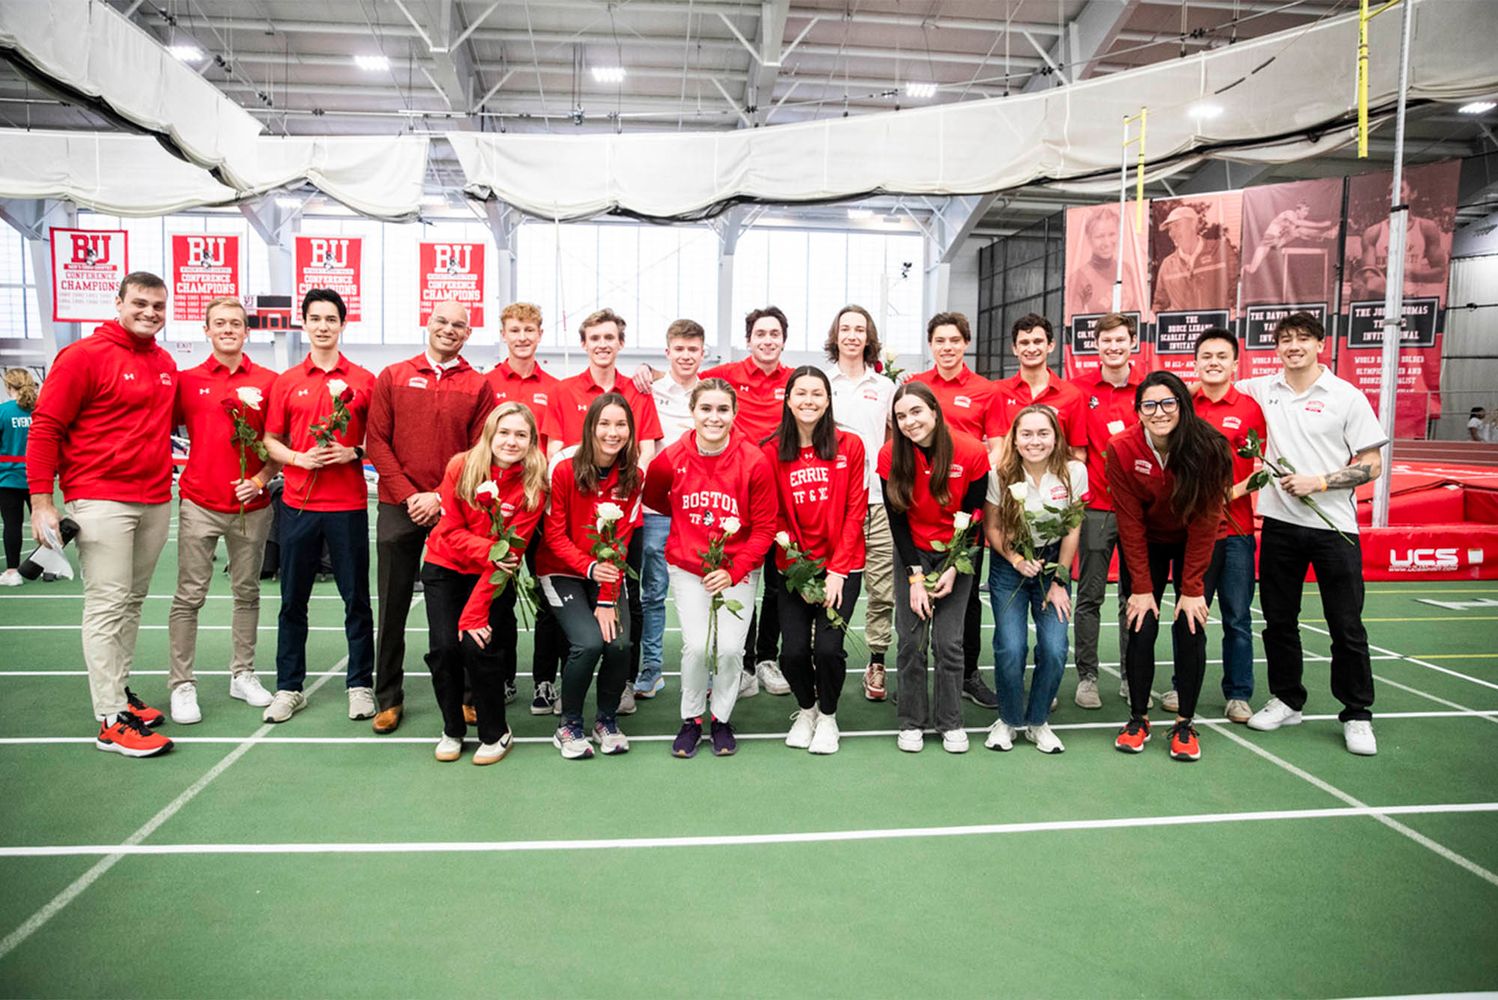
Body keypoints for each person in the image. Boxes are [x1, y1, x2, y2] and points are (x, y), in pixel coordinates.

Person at [27, 271, 177, 757]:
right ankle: (110, 718)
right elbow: (46, 427)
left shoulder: (164, 361)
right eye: (140, 303)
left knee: (131, 602)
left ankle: (120, 692)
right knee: (107, 603)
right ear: (118, 303)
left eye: (158, 305)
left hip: (155, 498)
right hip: (100, 497)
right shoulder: (82, 357)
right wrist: (42, 501)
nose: (149, 313)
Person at [1239, 312, 1386, 756]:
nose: (1293, 346)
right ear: (1276, 347)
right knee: (1279, 622)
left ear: (1320, 344)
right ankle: (1287, 698)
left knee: (1346, 625)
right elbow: (1213, 389)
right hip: (1281, 526)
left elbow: (1371, 463)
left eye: (1303, 339)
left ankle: (1357, 713)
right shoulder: (1262, 389)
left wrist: (1319, 482)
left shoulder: (1346, 396)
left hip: (1333, 528)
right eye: (1285, 340)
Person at [365, 299, 494, 735]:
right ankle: (388, 697)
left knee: (460, 610)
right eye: (442, 320)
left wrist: (440, 498)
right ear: (428, 322)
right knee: (393, 608)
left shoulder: (479, 386)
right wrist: (410, 497)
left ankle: (468, 696)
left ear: (468, 334)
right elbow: (377, 443)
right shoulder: (393, 376)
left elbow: (481, 453)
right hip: (398, 507)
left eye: (459, 324)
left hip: (454, 511)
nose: (449, 329)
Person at [261, 288, 378, 724]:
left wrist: (355, 452)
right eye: (316, 318)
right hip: (296, 506)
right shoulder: (287, 382)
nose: (324, 325)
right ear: (304, 324)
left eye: (331, 318)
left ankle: (360, 684)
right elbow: (270, 439)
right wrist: (297, 458)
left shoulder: (365, 380)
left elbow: (379, 439)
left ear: (342, 324)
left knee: (356, 601)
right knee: (292, 600)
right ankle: (289, 687)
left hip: (347, 506)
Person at [643, 378, 776, 759]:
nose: (714, 417)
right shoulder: (669, 458)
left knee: (732, 648)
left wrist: (734, 570)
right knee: (699, 646)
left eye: (722, 409)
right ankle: (690, 719)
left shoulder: (754, 461)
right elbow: (657, 500)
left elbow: (765, 527)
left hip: (737, 568)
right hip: (689, 567)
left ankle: (720, 718)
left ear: (734, 413)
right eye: (706, 409)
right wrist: (691, 538)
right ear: (693, 412)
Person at [167, 296, 281, 724]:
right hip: (198, 502)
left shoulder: (269, 381)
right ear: (207, 330)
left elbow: (277, 444)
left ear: (247, 331)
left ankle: (243, 674)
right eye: (220, 323)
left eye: (236, 323)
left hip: (252, 506)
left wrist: (259, 479)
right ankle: (182, 683)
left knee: (247, 592)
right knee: (189, 596)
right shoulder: (187, 380)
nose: (228, 329)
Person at [1108, 371, 1232, 761]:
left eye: (1167, 403)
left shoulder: (1210, 445)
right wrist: (1142, 588)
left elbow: (1207, 518)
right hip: (1148, 540)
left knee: (1190, 623)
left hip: (1197, 539)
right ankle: (1138, 718)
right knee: (1140, 622)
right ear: (1139, 411)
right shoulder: (1122, 447)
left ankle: (1185, 723)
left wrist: (1192, 587)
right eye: (1149, 405)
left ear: (1182, 404)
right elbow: (1129, 522)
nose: (1159, 412)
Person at [543, 308, 663, 714]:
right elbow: (555, 450)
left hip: (624, 508)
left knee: (627, 598)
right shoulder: (563, 391)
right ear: (584, 344)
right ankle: (567, 681)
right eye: (595, 338)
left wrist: (624, 486)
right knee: (575, 612)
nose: (602, 344)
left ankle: (623, 682)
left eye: (610, 337)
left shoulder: (638, 390)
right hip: (577, 513)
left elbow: (646, 448)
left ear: (620, 343)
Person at [420, 403, 547, 765]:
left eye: (521, 435)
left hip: (490, 578)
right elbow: (448, 532)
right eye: (504, 432)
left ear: (531, 441)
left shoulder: (534, 484)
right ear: (490, 434)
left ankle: (496, 732)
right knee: (444, 649)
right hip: (444, 566)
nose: (511, 441)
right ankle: (452, 728)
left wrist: (474, 615)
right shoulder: (461, 466)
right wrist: (490, 549)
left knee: (479, 647)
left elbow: (511, 558)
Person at [879, 382, 990, 754]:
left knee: (949, 642)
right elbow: (897, 521)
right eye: (901, 416)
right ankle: (912, 721)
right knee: (911, 640)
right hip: (913, 550)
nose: (910, 422)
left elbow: (975, 518)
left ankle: (950, 722)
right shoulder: (889, 455)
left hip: (958, 551)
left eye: (916, 412)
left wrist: (956, 568)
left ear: (934, 411)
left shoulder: (972, 452)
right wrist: (914, 576)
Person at [766, 366, 868, 756]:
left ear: (828, 401)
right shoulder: (770, 449)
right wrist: (800, 570)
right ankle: (806, 710)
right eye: (801, 394)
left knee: (827, 648)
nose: (809, 401)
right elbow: (772, 515)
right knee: (791, 652)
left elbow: (855, 513)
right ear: (788, 400)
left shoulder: (851, 445)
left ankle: (828, 716)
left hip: (843, 566)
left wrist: (837, 571)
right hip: (792, 568)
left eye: (817, 394)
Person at [1167, 329, 1267, 724]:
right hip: (1192, 533)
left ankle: (1238, 693)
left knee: (1237, 616)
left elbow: (1264, 466)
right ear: (1195, 363)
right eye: (1205, 355)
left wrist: (1230, 492)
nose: (1213, 362)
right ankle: (1182, 683)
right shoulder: (1182, 406)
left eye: (1221, 356)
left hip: (1238, 532)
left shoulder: (1250, 409)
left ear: (1234, 363)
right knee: (1187, 614)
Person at [538, 393, 644, 760]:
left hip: (605, 573)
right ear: (591, 426)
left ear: (630, 432)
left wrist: (605, 595)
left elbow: (623, 540)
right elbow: (553, 535)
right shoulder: (564, 465)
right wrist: (588, 568)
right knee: (588, 643)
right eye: (605, 423)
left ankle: (606, 720)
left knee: (618, 643)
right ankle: (568, 725)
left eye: (621, 425)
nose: (612, 432)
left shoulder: (633, 475)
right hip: (561, 569)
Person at [700, 307, 795, 700]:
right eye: (760, 334)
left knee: (776, 582)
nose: (767, 340)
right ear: (749, 338)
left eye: (774, 334)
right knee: (740, 577)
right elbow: (685, 380)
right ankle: (741, 663)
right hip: (736, 497)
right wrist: (648, 374)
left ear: (783, 340)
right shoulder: (726, 376)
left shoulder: (794, 381)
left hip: (784, 497)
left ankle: (766, 659)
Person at [908, 310, 1001, 710]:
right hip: (920, 509)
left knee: (966, 597)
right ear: (931, 345)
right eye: (939, 341)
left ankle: (966, 675)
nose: (947, 347)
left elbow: (996, 445)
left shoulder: (986, 390)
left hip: (965, 508)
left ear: (966, 343)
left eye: (954, 340)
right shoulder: (915, 387)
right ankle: (915, 679)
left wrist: (976, 485)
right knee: (916, 591)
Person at [982, 404, 1085, 755]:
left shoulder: (1074, 472)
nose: (1034, 441)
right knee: (1011, 647)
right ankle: (1009, 720)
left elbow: (1073, 528)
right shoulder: (1000, 472)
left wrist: (1059, 578)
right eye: (1026, 433)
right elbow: (993, 527)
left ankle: (1038, 721)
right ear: (1015, 436)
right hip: (1009, 566)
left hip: (1053, 567)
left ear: (1056, 437)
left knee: (1055, 648)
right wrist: (1014, 558)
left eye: (1043, 433)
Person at [486, 301, 566, 718]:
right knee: (498, 596)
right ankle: (500, 677)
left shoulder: (555, 388)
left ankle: (544, 682)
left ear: (539, 335)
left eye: (529, 330)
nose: (521, 337)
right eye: (514, 329)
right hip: (495, 513)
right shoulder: (486, 384)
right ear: (504, 334)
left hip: (537, 508)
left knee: (548, 597)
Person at [823, 305, 897, 703]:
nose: (852, 335)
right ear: (835, 336)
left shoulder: (884, 387)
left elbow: (892, 438)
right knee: (834, 581)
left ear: (869, 338)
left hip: (879, 500)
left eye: (860, 329)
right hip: (835, 502)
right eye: (845, 328)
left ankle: (877, 659)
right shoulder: (822, 382)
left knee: (882, 587)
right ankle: (826, 651)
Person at [1073, 312, 1146, 710]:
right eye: (1106, 342)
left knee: (1135, 596)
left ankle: (1133, 674)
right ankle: (1088, 677)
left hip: (1141, 513)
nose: (1113, 347)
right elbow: (1078, 452)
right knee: (1091, 595)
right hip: (1097, 510)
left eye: (1120, 340)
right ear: (1096, 346)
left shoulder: (1149, 388)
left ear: (1132, 342)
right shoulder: (1082, 390)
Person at [636, 318, 705, 702]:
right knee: (653, 592)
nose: (685, 356)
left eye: (692, 349)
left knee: (701, 590)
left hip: (699, 508)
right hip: (658, 507)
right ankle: (651, 668)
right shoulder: (649, 390)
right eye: (679, 349)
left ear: (702, 353)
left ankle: (703, 669)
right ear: (668, 352)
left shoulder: (712, 391)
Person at [990, 314, 1087, 461]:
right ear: (1015, 349)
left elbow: (1077, 452)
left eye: (1037, 341)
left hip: (1054, 480)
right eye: (1024, 343)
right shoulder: (997, 391)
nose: (1031, 348)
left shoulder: (1071, 395)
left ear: (1050, 346)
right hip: (1008, 480)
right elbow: (995, 447)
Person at [1152, 204, 1240, 313]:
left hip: (1216, 328)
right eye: (1170, 229)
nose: (1172, 234)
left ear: (1193, 224)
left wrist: (1234, 315)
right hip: (1184, 328)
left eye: (1177, 225)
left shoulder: (1220, 252)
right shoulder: (1167, 265)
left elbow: (1239, 290)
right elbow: (1159, 305)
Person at [0, 368, 38, 587]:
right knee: (43, 526)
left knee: (12, 524)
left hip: (8, 478)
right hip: (36, 477)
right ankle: (49, 568)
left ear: (8, 386)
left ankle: (13, 572)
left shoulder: (3, 412)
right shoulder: (39, 411)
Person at [1067, 206, 1142, 317]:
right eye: (1100, 236)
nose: (1106, 242)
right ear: (1089, 238)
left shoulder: (1126, 269)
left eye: (1112, 234)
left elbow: (1137, 314)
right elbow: (1073, 324)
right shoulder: (1079, 277)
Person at [1244, 200, 1337, 276]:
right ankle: (1242, 268)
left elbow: (1295, 233)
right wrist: (1320, 225)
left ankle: (1329, 234)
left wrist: (1315, 236)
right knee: (1252, 269)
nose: (1306, 214)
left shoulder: (1294, 222)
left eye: (1308, 211)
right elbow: (1298, 224)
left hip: (1278, 242)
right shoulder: (1290, 213)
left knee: (1300, 231)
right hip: (1268, 240)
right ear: (1298, 210)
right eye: (1305, 211)